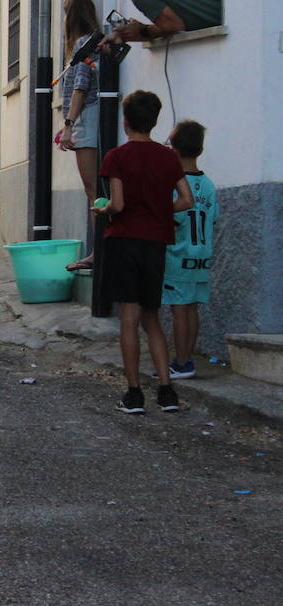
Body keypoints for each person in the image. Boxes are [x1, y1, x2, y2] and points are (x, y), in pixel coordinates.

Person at [93, 90, 194, 414]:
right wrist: (162, 211)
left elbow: (118, 204)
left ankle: (134, 393)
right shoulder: (168, 157)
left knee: (128, 318)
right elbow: (186, 199)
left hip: (124, 240)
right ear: (154, 121)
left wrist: (102, 209)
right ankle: (167, 391)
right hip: (155, 243)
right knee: (152, 318)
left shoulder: (116, 157)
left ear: (125, 122)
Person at [162, 119, 217, 380]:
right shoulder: (208, 185)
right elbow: (212, 218)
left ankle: (182, 362)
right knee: (192, 307)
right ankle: (187, 358)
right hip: (202, 256)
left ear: (174, 149)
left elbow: (174, 218)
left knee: (179, 309)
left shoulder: (175, 184)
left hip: (178, 255)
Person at [58, 0, 103, 270]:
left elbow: (80, 87)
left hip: (86, 118)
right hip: (91, 116)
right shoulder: (94, 43)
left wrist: (68, 124)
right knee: (95, 189)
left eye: (65, 14)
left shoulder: (82, 44)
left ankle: (100, 251)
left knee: (93, 190)